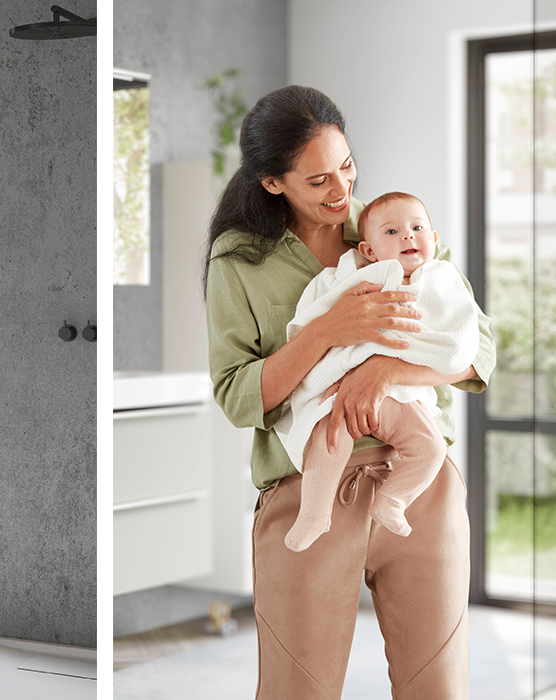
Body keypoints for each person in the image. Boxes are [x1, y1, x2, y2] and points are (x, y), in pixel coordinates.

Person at [205, 85, 496, 697]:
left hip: (418, 485)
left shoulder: (391, 224)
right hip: (305, 489)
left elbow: (478, 349)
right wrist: (326, 332)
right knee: (297, 691)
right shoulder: (241, 260)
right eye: (318, 181)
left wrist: (388, 372)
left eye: (347, 166)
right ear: (272, 182)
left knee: (439, 689)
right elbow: (237, 396)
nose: (341, 191)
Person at [276, 193, 481, 552]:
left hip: (402, 393)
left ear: (432, 238)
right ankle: (314, 515)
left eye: (417, 228)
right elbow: (311, 318)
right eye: (392, 232)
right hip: (342, 390)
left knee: (429, 447)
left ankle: (393, 500)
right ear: (369, 251)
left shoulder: (440, 279)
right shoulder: (348, 276)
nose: (408, 236)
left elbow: (461, 338)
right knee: (329, 437)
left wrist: (390, 366)